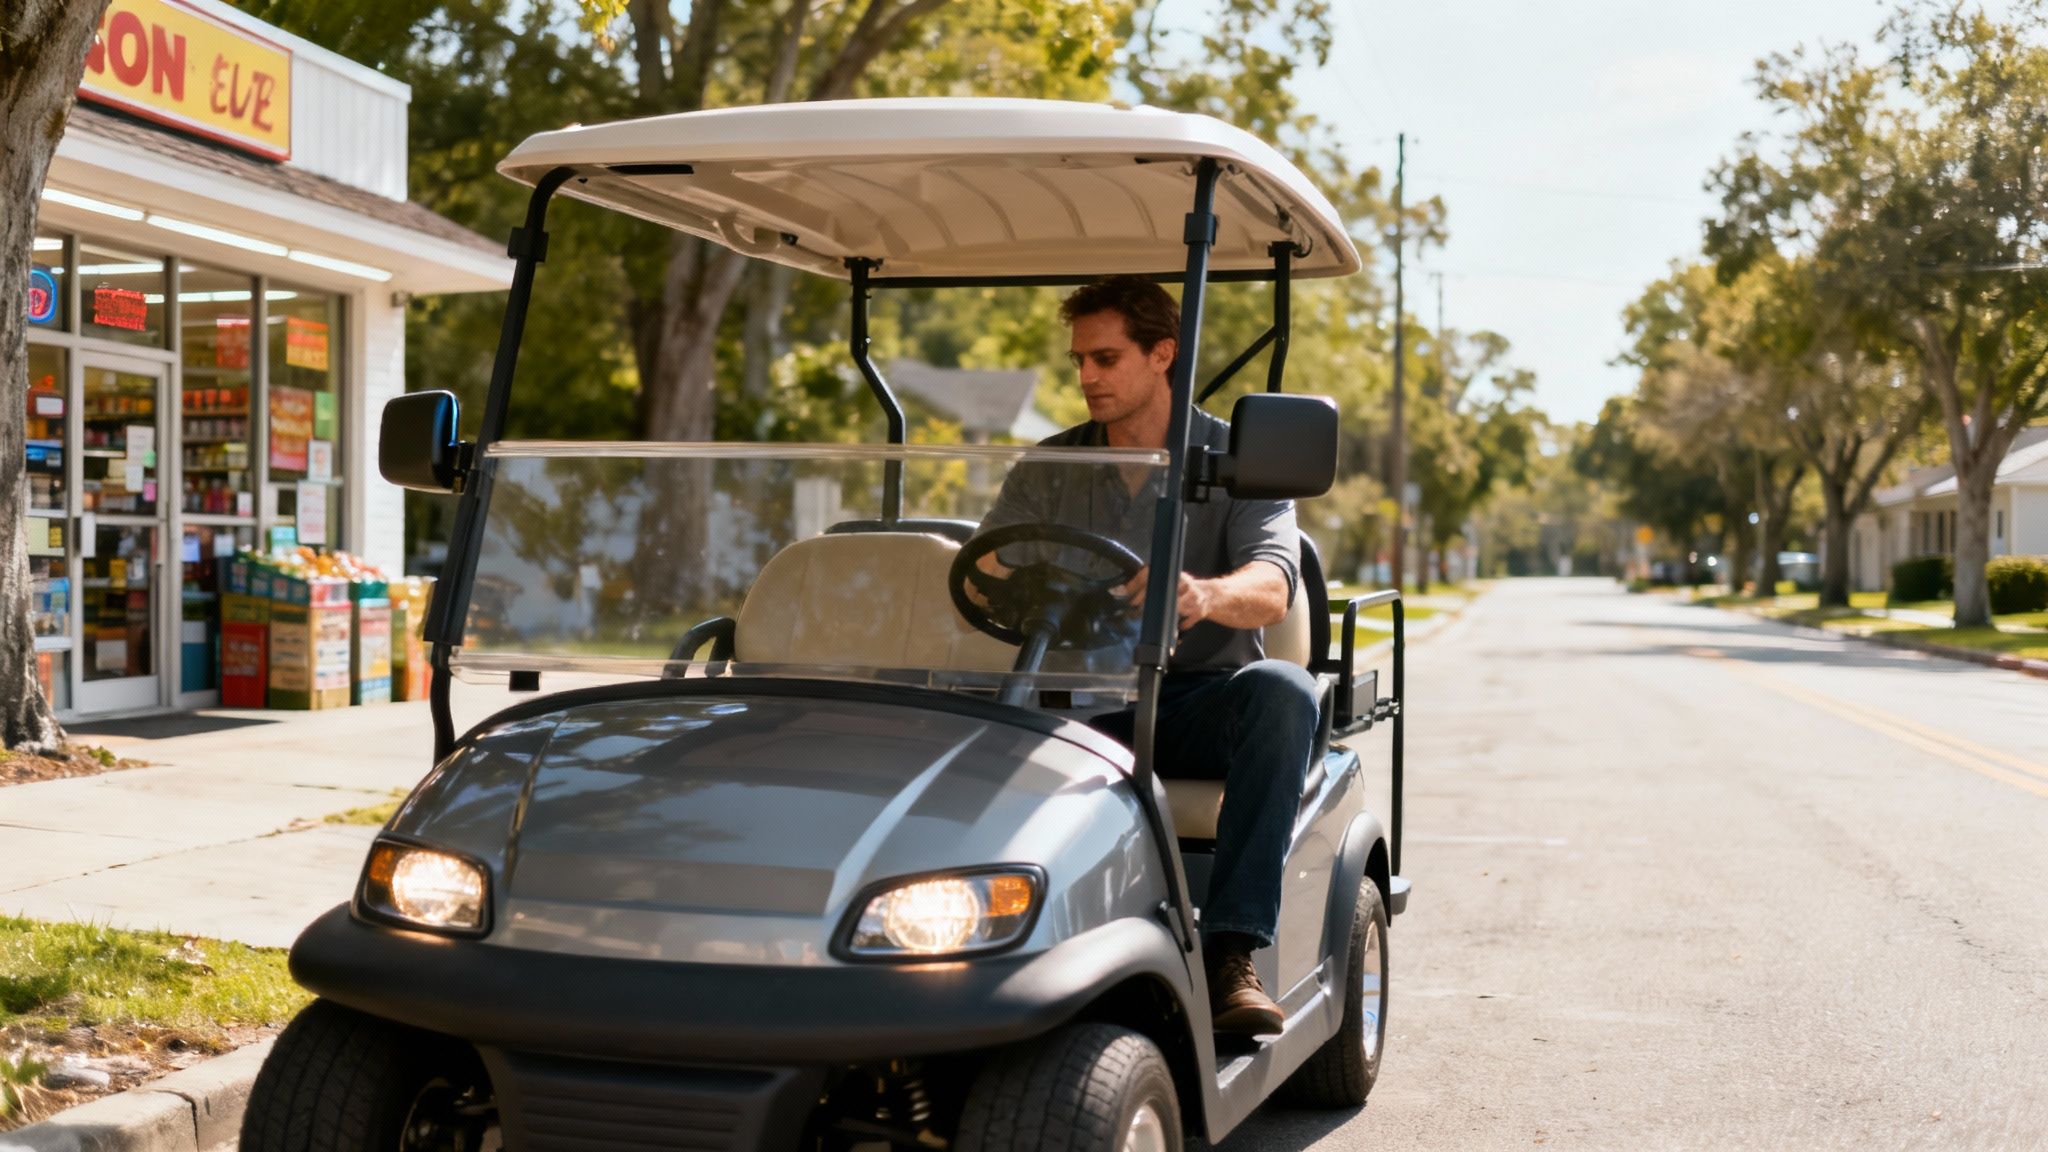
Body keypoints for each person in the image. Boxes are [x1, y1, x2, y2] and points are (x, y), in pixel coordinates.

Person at [975, 276, 1320, 1036]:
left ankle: (1231, 955)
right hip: (1071, 699)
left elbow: (1271, 584)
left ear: (1164, 353)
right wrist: (1032, 575)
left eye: (1105, 358)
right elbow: (987, 562)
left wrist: (1200, 594)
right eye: (1079, 362)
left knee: (1283, 693)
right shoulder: (1053, 463)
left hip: (1193, 700)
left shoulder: (1236, 457)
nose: (1087, 377)